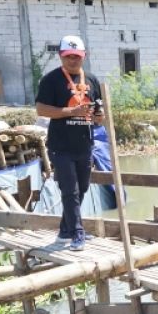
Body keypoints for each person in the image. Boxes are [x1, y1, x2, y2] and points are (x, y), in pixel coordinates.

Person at [35, 35, 104, 252]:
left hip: (84, 143)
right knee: (69, 189)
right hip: (60, 145)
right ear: (61, 57)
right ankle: (77, 232)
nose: (72, 61)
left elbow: (100, 114)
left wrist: (98, 116)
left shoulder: (91, 80)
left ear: (84, 56)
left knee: (82, 187)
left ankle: (66, 229)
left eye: (77, 56)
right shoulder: (51, 80)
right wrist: (71, 111)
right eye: (68, 57)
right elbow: (41, 109)